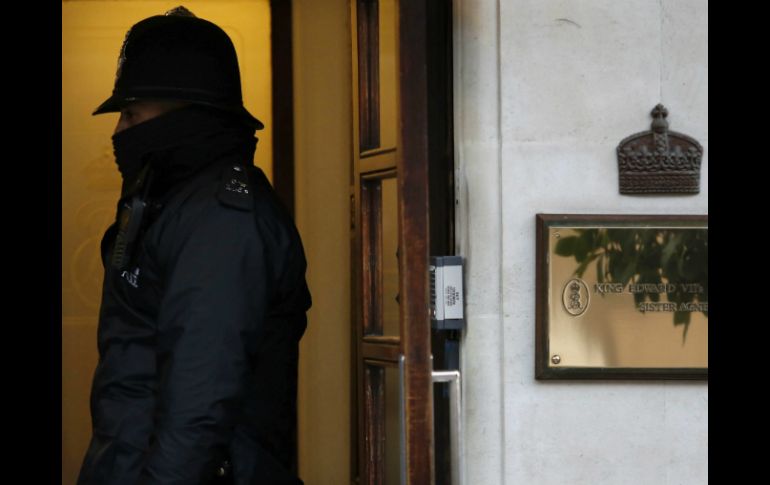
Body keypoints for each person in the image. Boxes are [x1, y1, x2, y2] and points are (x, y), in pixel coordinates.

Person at [77, 6, 311, 484]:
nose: (119, 131)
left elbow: (199, 405)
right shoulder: (174, 203)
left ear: (182, 116)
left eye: (132, 113)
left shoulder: (221, 221)